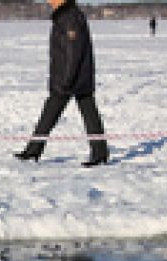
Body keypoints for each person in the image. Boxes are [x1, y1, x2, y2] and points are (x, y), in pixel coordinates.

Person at [14, 0, 109, 167]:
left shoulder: (69, 17)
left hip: (70, 79)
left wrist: (66, 80)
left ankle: (34, 150)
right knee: (82, 113)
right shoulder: (66, 16)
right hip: (74, 77)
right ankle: (99, 152)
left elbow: (73, 51)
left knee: (54, 114)